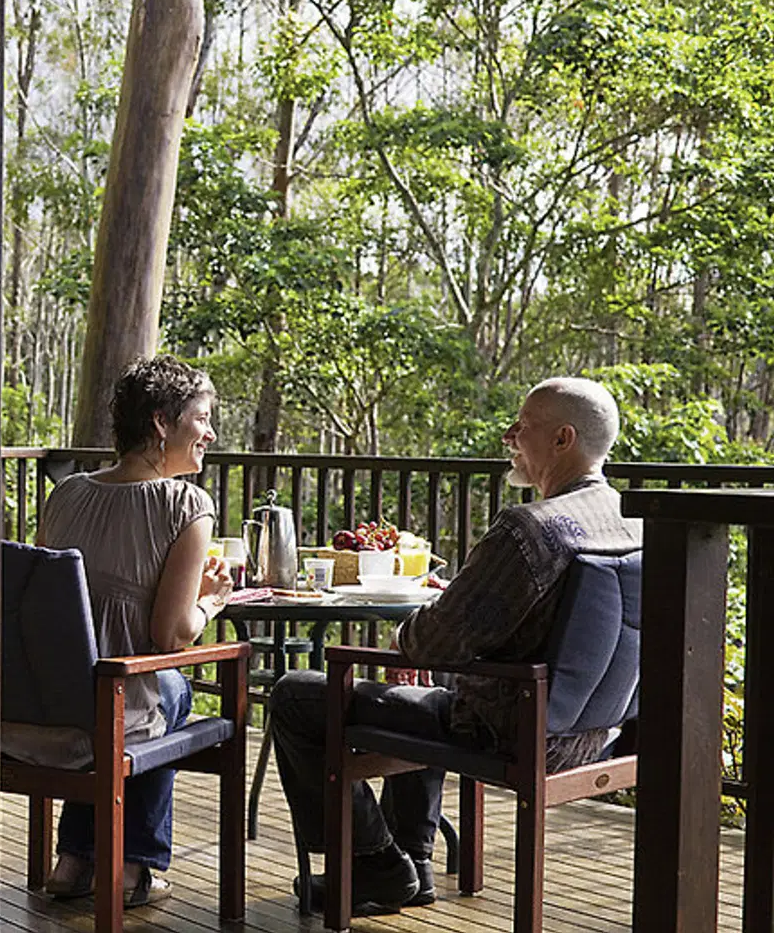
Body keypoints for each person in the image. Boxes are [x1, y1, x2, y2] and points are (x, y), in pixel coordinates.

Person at [269, 377, 643, 915]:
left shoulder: (531, 530)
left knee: (297, 694)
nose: (509, 435)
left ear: (564, 439)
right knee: (428, 690)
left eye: (524, 426)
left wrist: (411, 630)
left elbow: (431, 641)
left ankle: (375, 862)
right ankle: (414, 862)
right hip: (596, 733)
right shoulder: (634, 522)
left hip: (507, 729)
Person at [35, 355, 234, 908]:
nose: (210, 432)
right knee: (170, 688)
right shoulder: (186, 505)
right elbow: (171, 636)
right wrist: (211, 601)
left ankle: (74, 857)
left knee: (116, 695)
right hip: (109, 712)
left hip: (38, 713)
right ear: (161, 424)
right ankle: (129, 866)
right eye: (202, 417)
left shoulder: (67, 493)